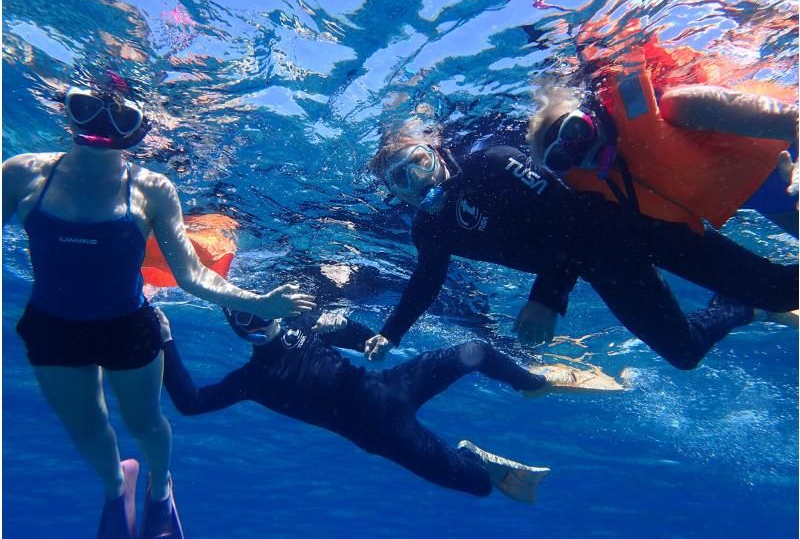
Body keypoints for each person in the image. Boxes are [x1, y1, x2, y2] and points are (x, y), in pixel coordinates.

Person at [2, 78, 316, 539]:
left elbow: (191, 275)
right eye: (86, 107)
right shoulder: (21, 172)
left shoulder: (153, 188)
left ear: (138, 128)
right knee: (86, 427)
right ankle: (115, 490)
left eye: (121, 117)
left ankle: (160, 490)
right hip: (53, 328)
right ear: (66, 110)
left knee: (145, 422)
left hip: (129, 326)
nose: (101, 124)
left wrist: (261, 301)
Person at [363, 117, 797, 365]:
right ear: (394, 193)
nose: (416, 178)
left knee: (782, 289)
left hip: (640, 230)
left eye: (419, 162)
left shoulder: (492, 165)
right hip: (603, 267)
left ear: (436, 153)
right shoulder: (429, 229)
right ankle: (738, 306)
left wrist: (547, 296)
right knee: (683, 352)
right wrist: (391, 334)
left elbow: (574, 218)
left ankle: (757, 299)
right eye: (401, 178)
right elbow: (427, 278)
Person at [157, 306, 582, 505]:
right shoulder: (251, 380)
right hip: (385, 435)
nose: (252, 320)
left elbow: (358, 336)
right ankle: (470, 456)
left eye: (255, 310)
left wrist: (361, 334)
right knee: (478, 485)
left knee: (476, 350)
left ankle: (532, 382)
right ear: (234, 328)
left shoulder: (302, 323)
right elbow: (191, 403)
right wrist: (165, 340)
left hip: (392, 386)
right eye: (241, 317)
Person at [527, 76, 798, 236]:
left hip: (788, 159)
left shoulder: (679, 106)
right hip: (769, 202)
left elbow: (793, 120)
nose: (580, 148)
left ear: (590, 113)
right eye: (562, 157)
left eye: (574, 130)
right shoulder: (618, 191)